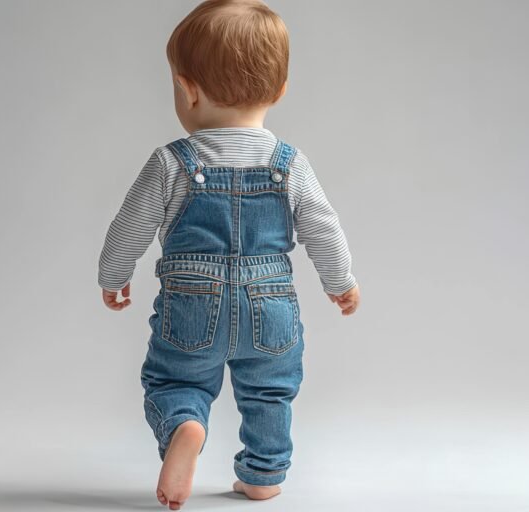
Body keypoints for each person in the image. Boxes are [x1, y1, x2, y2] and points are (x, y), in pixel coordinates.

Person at [97, 1, 361, 508]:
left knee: (175, 378)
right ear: (280, 91)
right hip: (271, 304)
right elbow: (322, 227)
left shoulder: (173, 161)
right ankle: (263, 476)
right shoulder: (290, 164)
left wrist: (114, 275)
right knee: (269, 389)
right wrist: (339, 281)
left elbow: (129, 226)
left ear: (187, 88)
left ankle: (185, 424)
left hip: (191, 303)